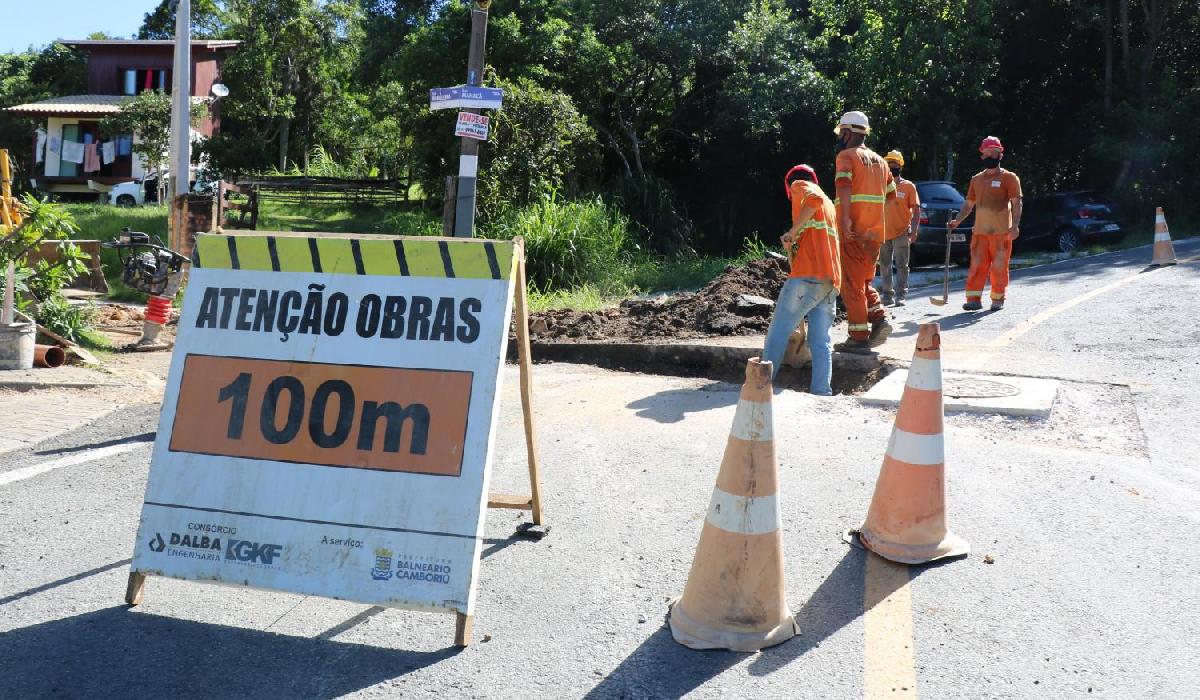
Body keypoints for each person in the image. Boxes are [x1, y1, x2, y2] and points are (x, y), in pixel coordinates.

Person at [762, 164, 841, 395]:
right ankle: (821, 391)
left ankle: (761, 385)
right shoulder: (830, 204)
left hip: (808, 276)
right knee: (820, 340)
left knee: (778, 330)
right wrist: (795, 242)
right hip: (830, 280)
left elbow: (812, 198)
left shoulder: (801, 185)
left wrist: (791, 232)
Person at [831, 111, 895, 354]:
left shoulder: (845, 156)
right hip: (874, 233)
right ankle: (878, 317)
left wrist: (846, 219)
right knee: (863, 280)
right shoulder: (881, 161)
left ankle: (858, 337)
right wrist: (873, 220)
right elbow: (891, 195)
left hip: (852, 232)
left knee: (851, 284)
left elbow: (844, 186)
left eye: (841, 133)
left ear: (847, 133)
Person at [948, 136, 1023, 311]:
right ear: (982, 155)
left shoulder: (1009, 178)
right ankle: (973, 299)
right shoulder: (976, 180)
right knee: (976, 266)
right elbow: (968, 204)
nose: (990, 156)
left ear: (1000, 155)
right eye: (986, 153)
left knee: (998, 267)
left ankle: (997, 299)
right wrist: (957, 221)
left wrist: (1015, 225)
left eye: (993, 153)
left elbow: (1016, 202)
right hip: (980, 232)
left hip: (1001, 233)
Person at [878, 150, 921, 306]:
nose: (891, 166)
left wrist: (915, 230)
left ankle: (901, 295)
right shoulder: (880, 186)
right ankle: (887, 295)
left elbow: (916, 210)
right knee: (884, 265)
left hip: (902, 231)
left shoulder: (908, 186)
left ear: (900, 166)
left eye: (894, 164)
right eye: (889, 164)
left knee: (902, 265)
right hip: (882, 232)